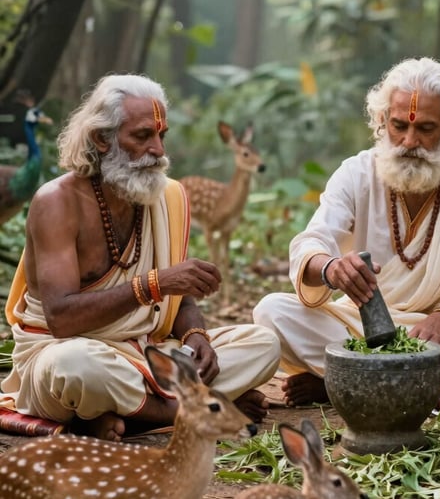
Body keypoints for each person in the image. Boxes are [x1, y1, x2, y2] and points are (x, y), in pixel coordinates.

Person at [0, 74, 281, 441]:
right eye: (142, 136)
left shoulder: (164, 196)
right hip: (65, 352)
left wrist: (197, 336)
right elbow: (61, 319)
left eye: (161, 136)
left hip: (146, 353)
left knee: (263, 344)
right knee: (73, 368)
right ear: (101, 139)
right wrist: (153, 285)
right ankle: (182, 410)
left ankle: (117, 415)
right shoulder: (56, 203)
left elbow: (178, 299)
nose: (159, 151)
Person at [253, 57, 440, 412]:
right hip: (362, 327)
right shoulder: (356, 173)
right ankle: (425, 388)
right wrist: (331, 268)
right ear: (382, 122)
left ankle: (343, 382)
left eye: (426, 129)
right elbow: (312, 242)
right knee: (272, 312)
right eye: (399, 126)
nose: (410, 141)